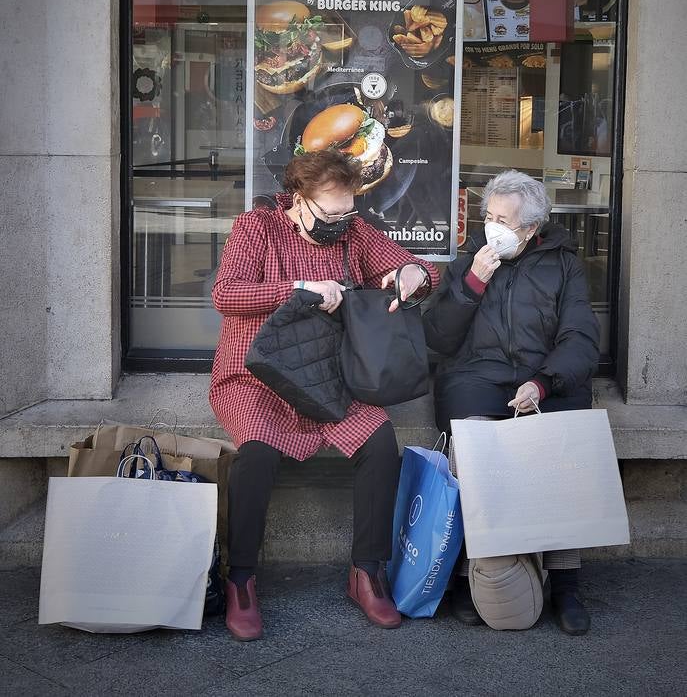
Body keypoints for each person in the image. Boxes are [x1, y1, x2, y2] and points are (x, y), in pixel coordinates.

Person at [210, 149, 439, 641]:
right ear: (298, 200)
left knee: (380, 444)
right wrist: (298, 289)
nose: (341, 222)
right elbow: (226, 294)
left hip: (331, 377)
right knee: (256, 454)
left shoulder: (354, 231)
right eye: (330, 213)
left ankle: (366, 572)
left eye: (348, 211)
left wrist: (415, 275)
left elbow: (413, 268)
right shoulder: (257, 227)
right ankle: (241, 579)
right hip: (261, 377)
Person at [423, 169, 600, 635]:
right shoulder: (468, 263)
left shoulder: (564, 264)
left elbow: (580, 337)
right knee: (474, 445)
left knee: (559, 444)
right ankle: (466, 578)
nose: (493, 226)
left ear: (530, 228)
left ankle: (565, 582)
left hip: (543, 379)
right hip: (477, 376)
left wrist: (544, 382)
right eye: (489, 216)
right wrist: (471, 286)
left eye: (505, 219)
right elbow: (438, 338)